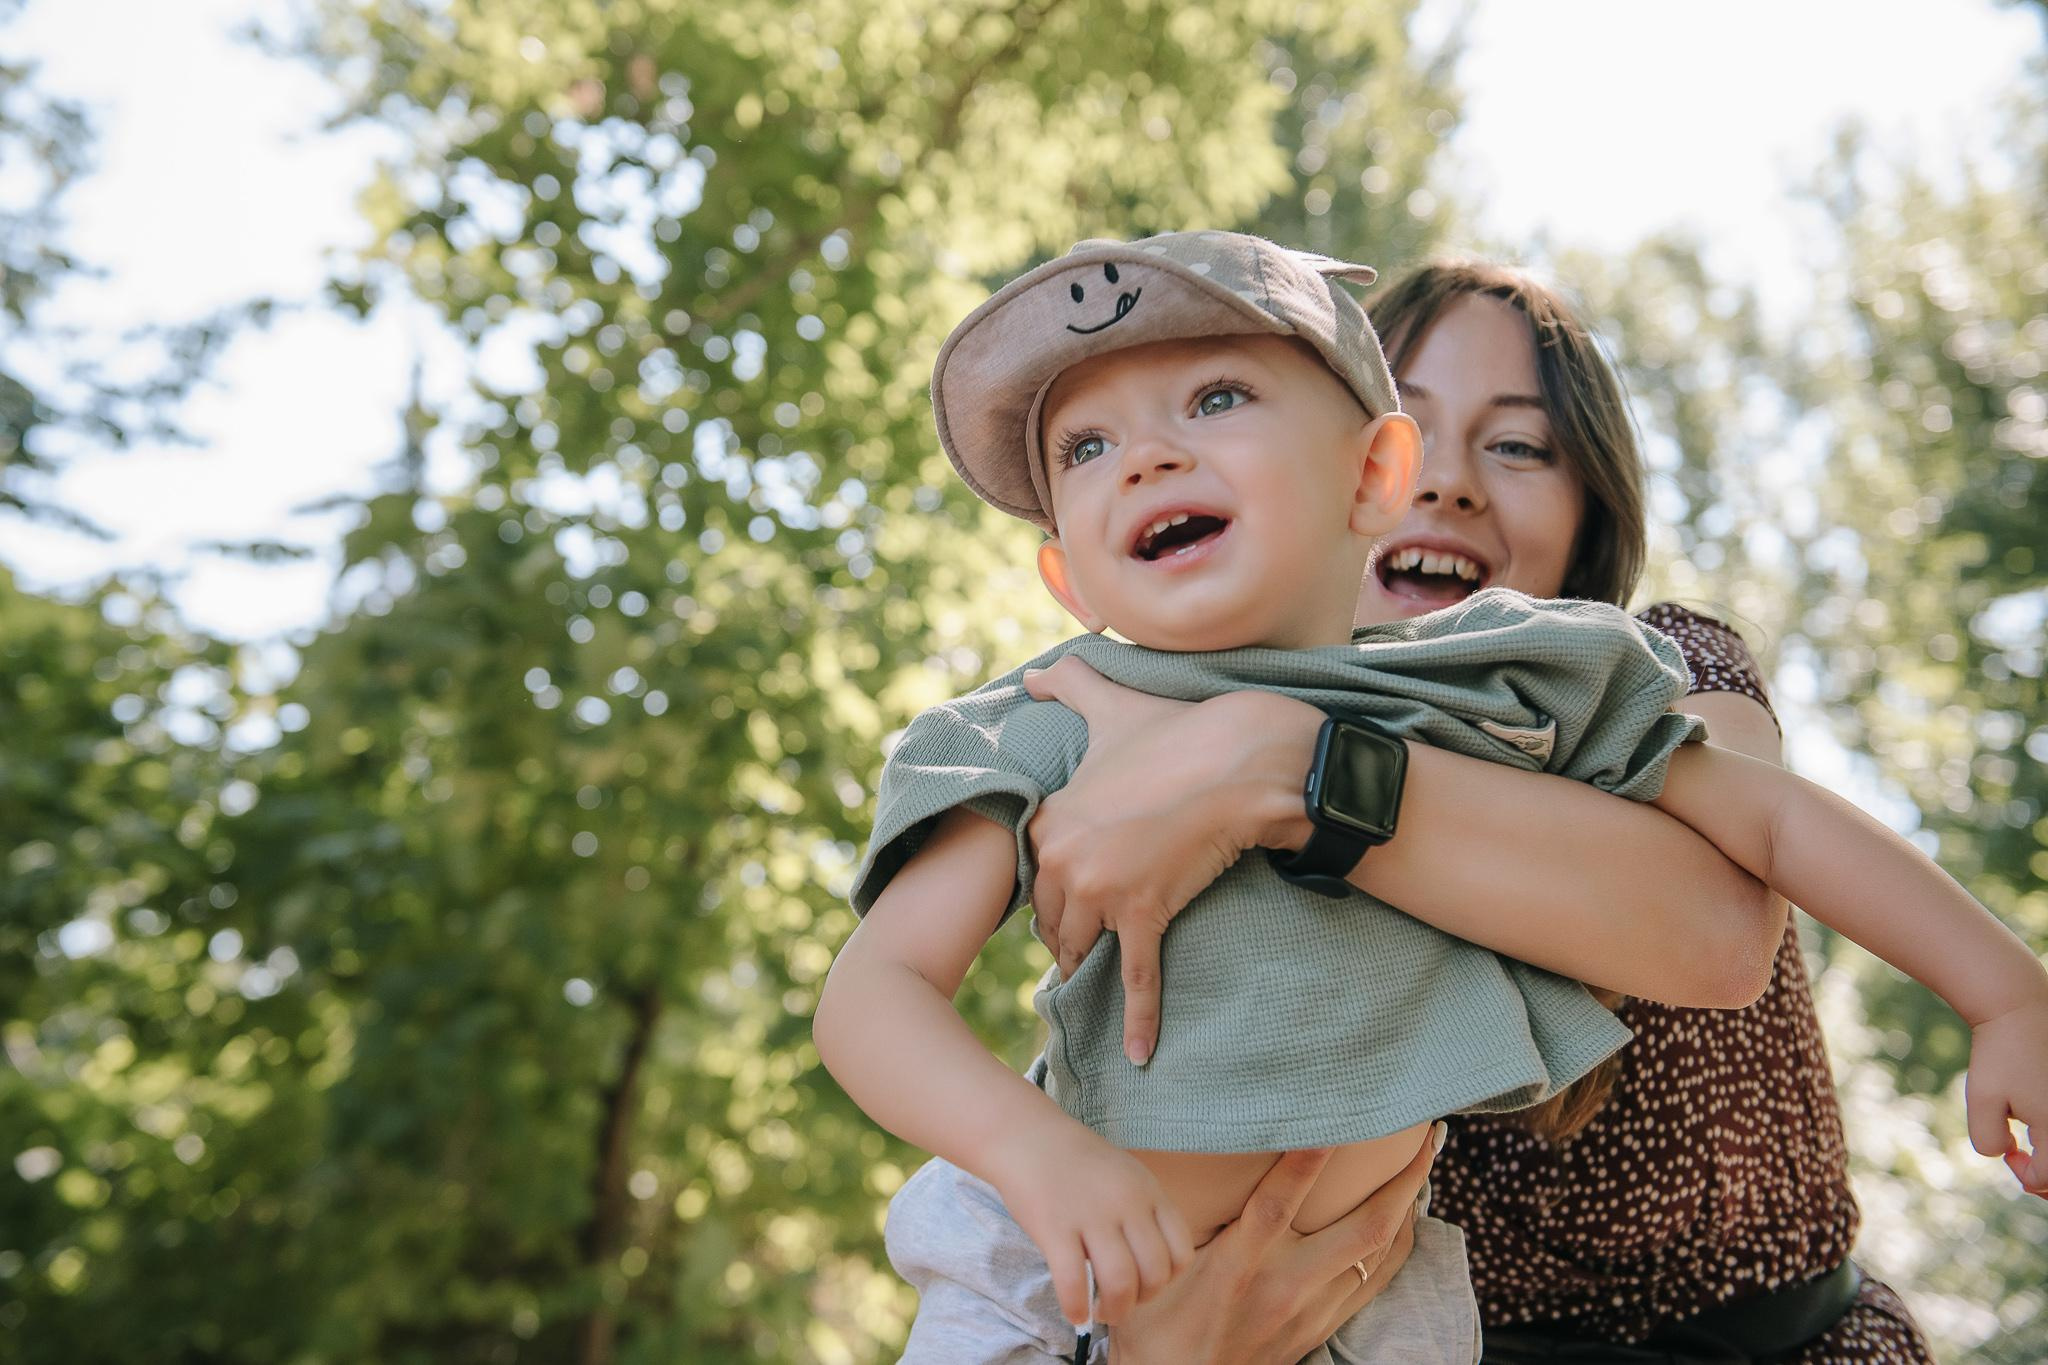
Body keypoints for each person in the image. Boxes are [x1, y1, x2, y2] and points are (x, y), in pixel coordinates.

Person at [817, 235, 2048, 1362]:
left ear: (1367, 475)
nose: (1143, 453)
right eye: (1084, 448)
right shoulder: (1060, 710)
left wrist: (2001, 990)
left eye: (1216, 400)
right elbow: (874, 992)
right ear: (1061, 569)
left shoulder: (1490, 689)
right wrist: (1032, 1156)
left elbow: (1761, 837)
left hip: (1380, 1298)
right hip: (1048, 1268)